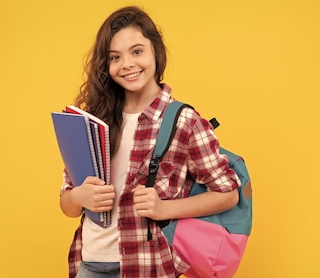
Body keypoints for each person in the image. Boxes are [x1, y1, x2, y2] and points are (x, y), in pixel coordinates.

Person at [58, 6, 240, 278]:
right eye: (115, 57)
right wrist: (78, 197)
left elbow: (228, 193)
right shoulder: (94, 121)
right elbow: (67, 204)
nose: (127, 64)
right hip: (89, 263)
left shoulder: (183, 121)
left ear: (156, 50)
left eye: (137, 51)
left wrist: (165, 208)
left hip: (147, 266)